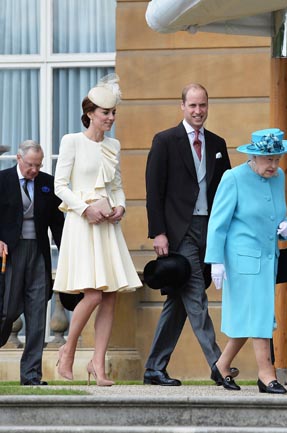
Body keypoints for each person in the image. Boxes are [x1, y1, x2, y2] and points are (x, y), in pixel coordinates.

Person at [53, 74, 142, 387]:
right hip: (82, 225)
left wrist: (120, 207)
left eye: (114, 113)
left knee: (110, 296)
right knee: (91, 293)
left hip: (107, 228)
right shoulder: (71, 142)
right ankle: (68, 349)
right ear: (90, 112)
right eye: (106, 112)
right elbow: (60, 186)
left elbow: (116, 186)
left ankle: (97, 364)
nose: (111, 118)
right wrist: (84, 209)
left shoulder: (113, 146)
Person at [144, 83, 233, 386]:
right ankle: (219, 364)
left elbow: (227, 192)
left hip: (209, 229)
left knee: (179, 302)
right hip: (179, 231)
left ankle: (154, 367)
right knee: (196, 296)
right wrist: (158, 232)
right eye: (192, 105)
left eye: (203, 105)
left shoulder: (218, 143)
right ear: (182, 106)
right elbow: (153, 192)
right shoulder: (165, 141)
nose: (198, 111)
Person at [205, 128, 287, 394]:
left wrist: (284, 227)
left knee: (252, 315)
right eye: (268, 160)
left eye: (277, 158)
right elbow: (217, 223)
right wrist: (215, 261)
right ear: (253, 157)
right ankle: (266, 374)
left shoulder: (278, 177)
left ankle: (221, 366)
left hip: (269, 258)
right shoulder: (233, 178)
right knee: (260, 315)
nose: (274, 165)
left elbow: (278, 212)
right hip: (241, 258)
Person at [0, 140, 64, 385]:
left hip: (38, 253)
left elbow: (58, 222)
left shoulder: (47, 183)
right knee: (6, 313)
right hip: (10, 254)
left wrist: (67, 252)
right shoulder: (3, 180)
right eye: (30, 165)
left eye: (38, 165)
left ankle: (31, 375)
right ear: (18, 158)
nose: (34, 170)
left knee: (37, 315)